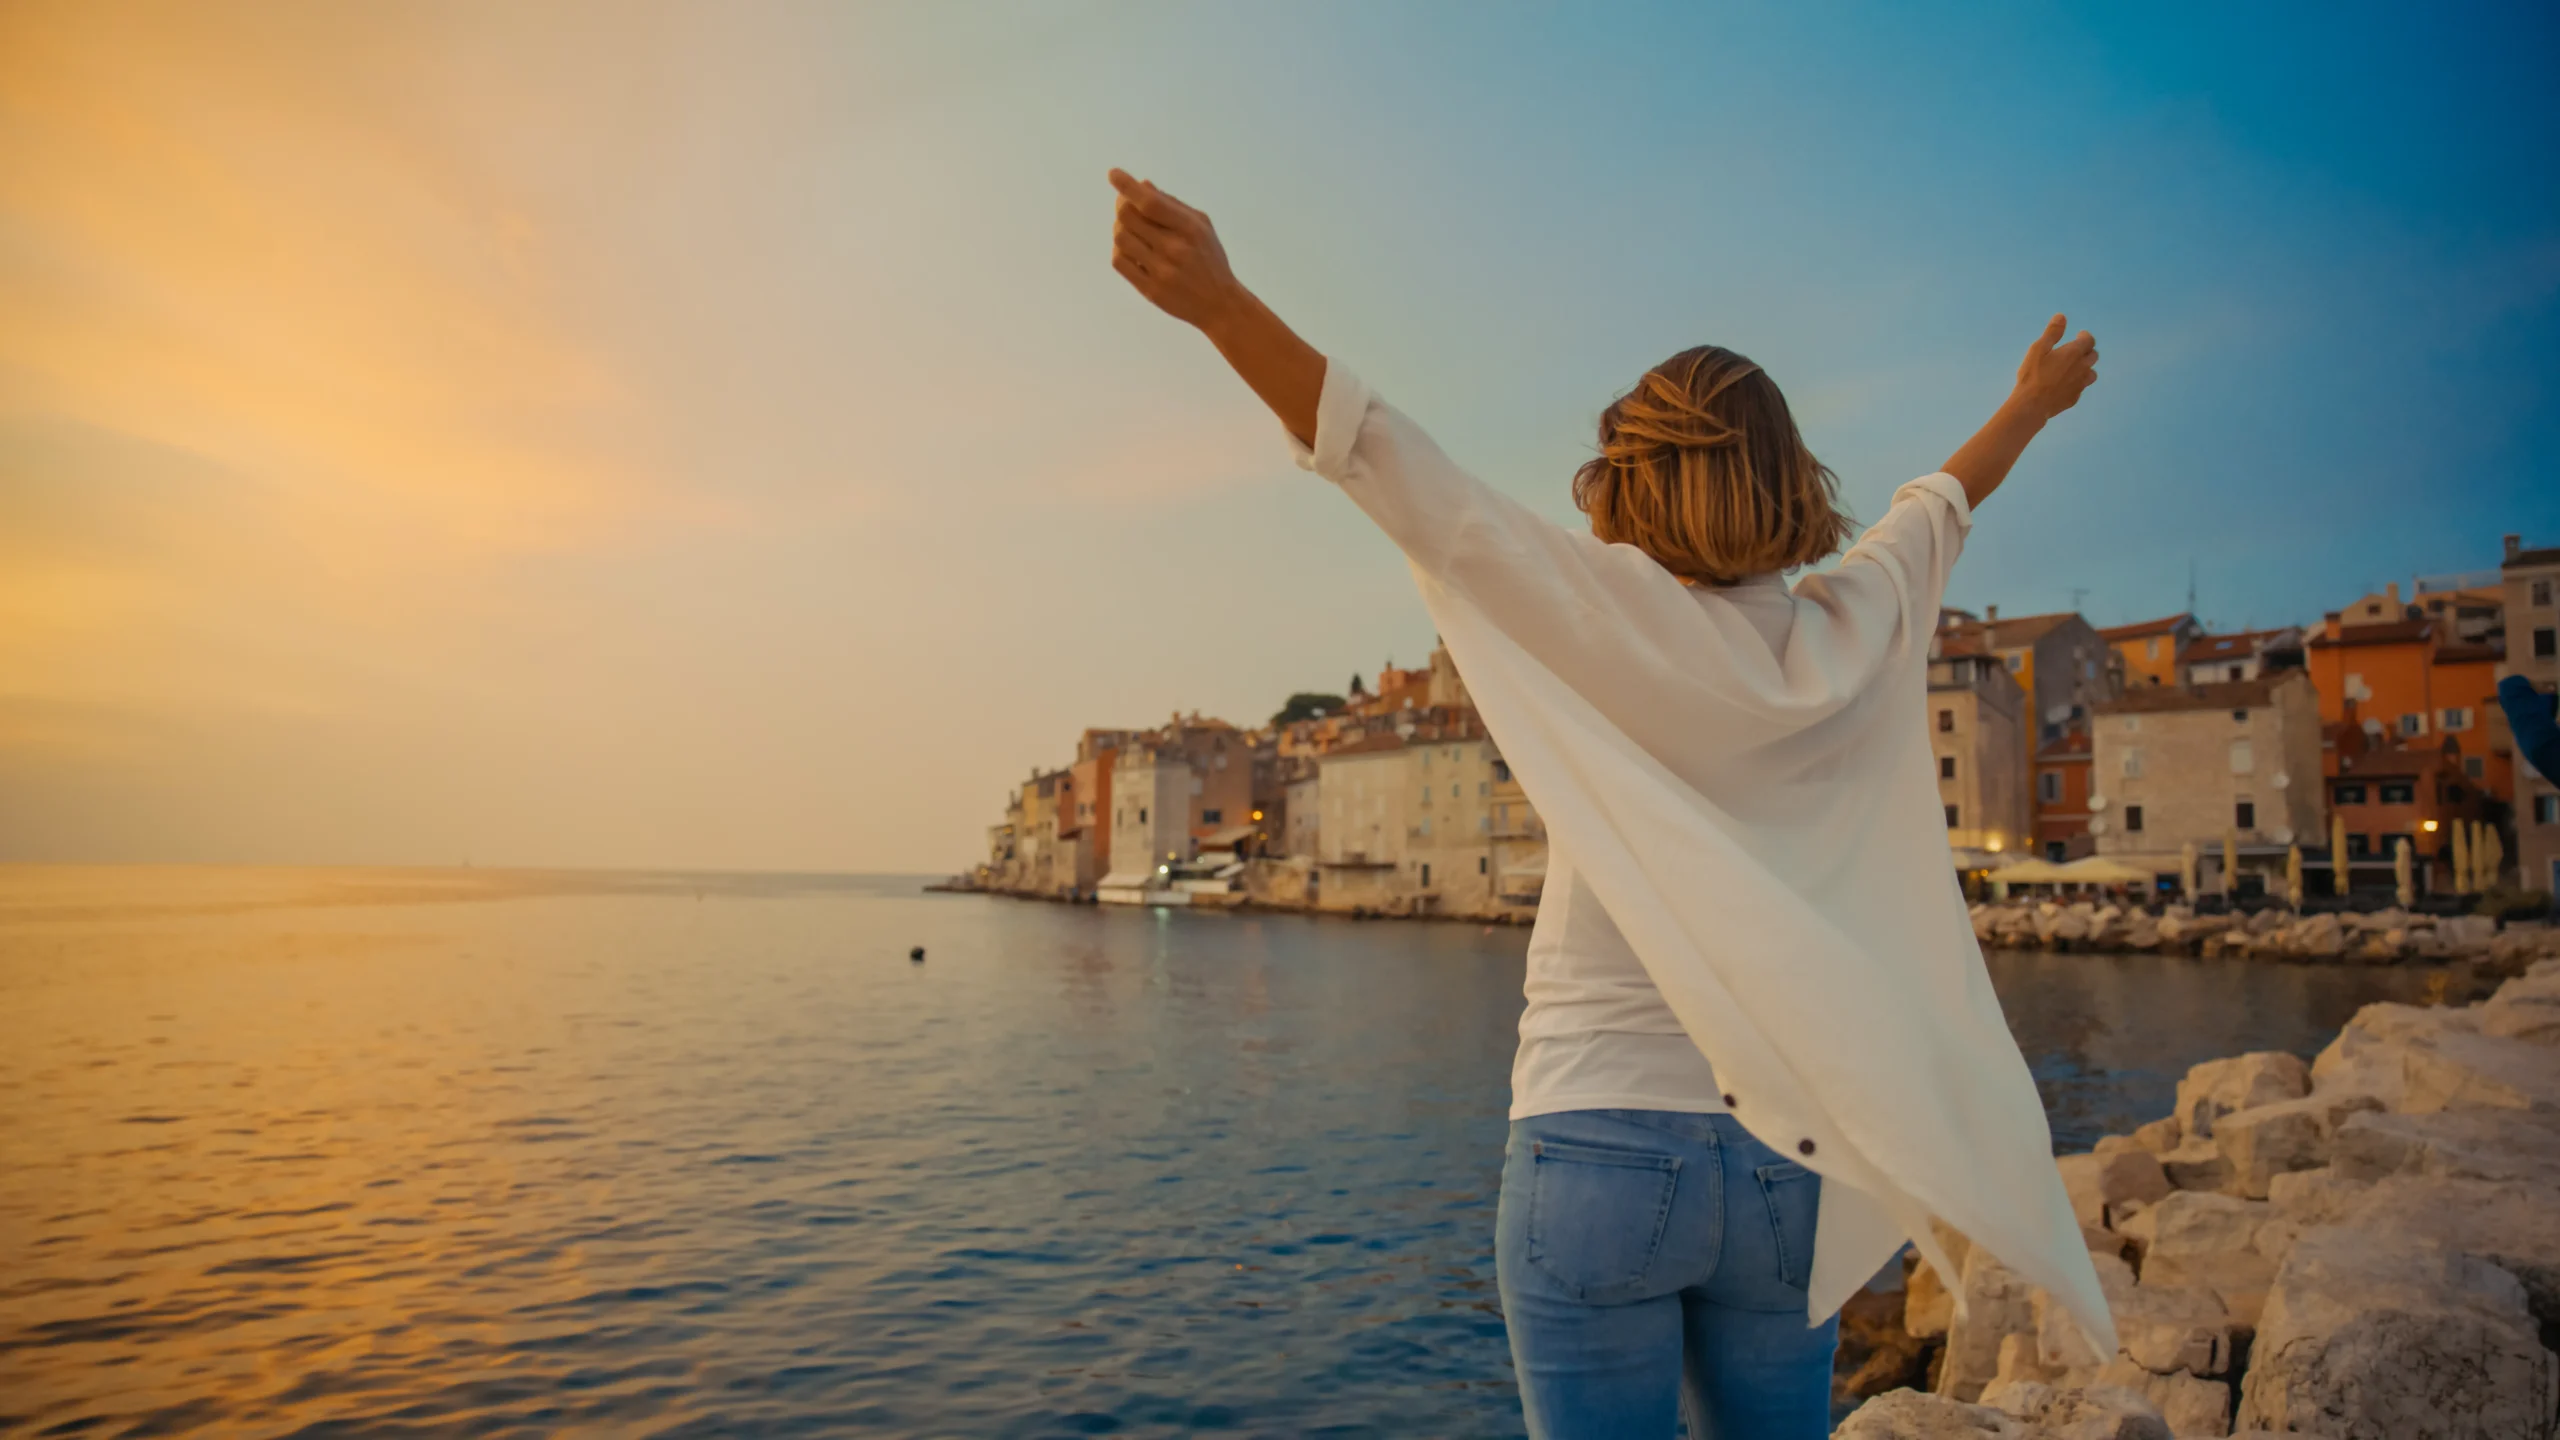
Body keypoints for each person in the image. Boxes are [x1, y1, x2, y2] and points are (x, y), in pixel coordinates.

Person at [1104, 168, 2110, 1439]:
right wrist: (2031, 400)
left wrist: (1222, 305)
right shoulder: (1857, 627)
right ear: (1790, 479)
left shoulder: (1598, 611)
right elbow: (1939, 503)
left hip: (1594, 1140)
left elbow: (1388, 461)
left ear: (1626, 485)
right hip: (1786, 1163)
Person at [2498, 674, 2560, 790]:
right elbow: (2551, 698)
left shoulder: (2519, 715)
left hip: (2540, 749)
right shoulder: (2529, 707)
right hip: (2544, 743)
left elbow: (2550, 699)